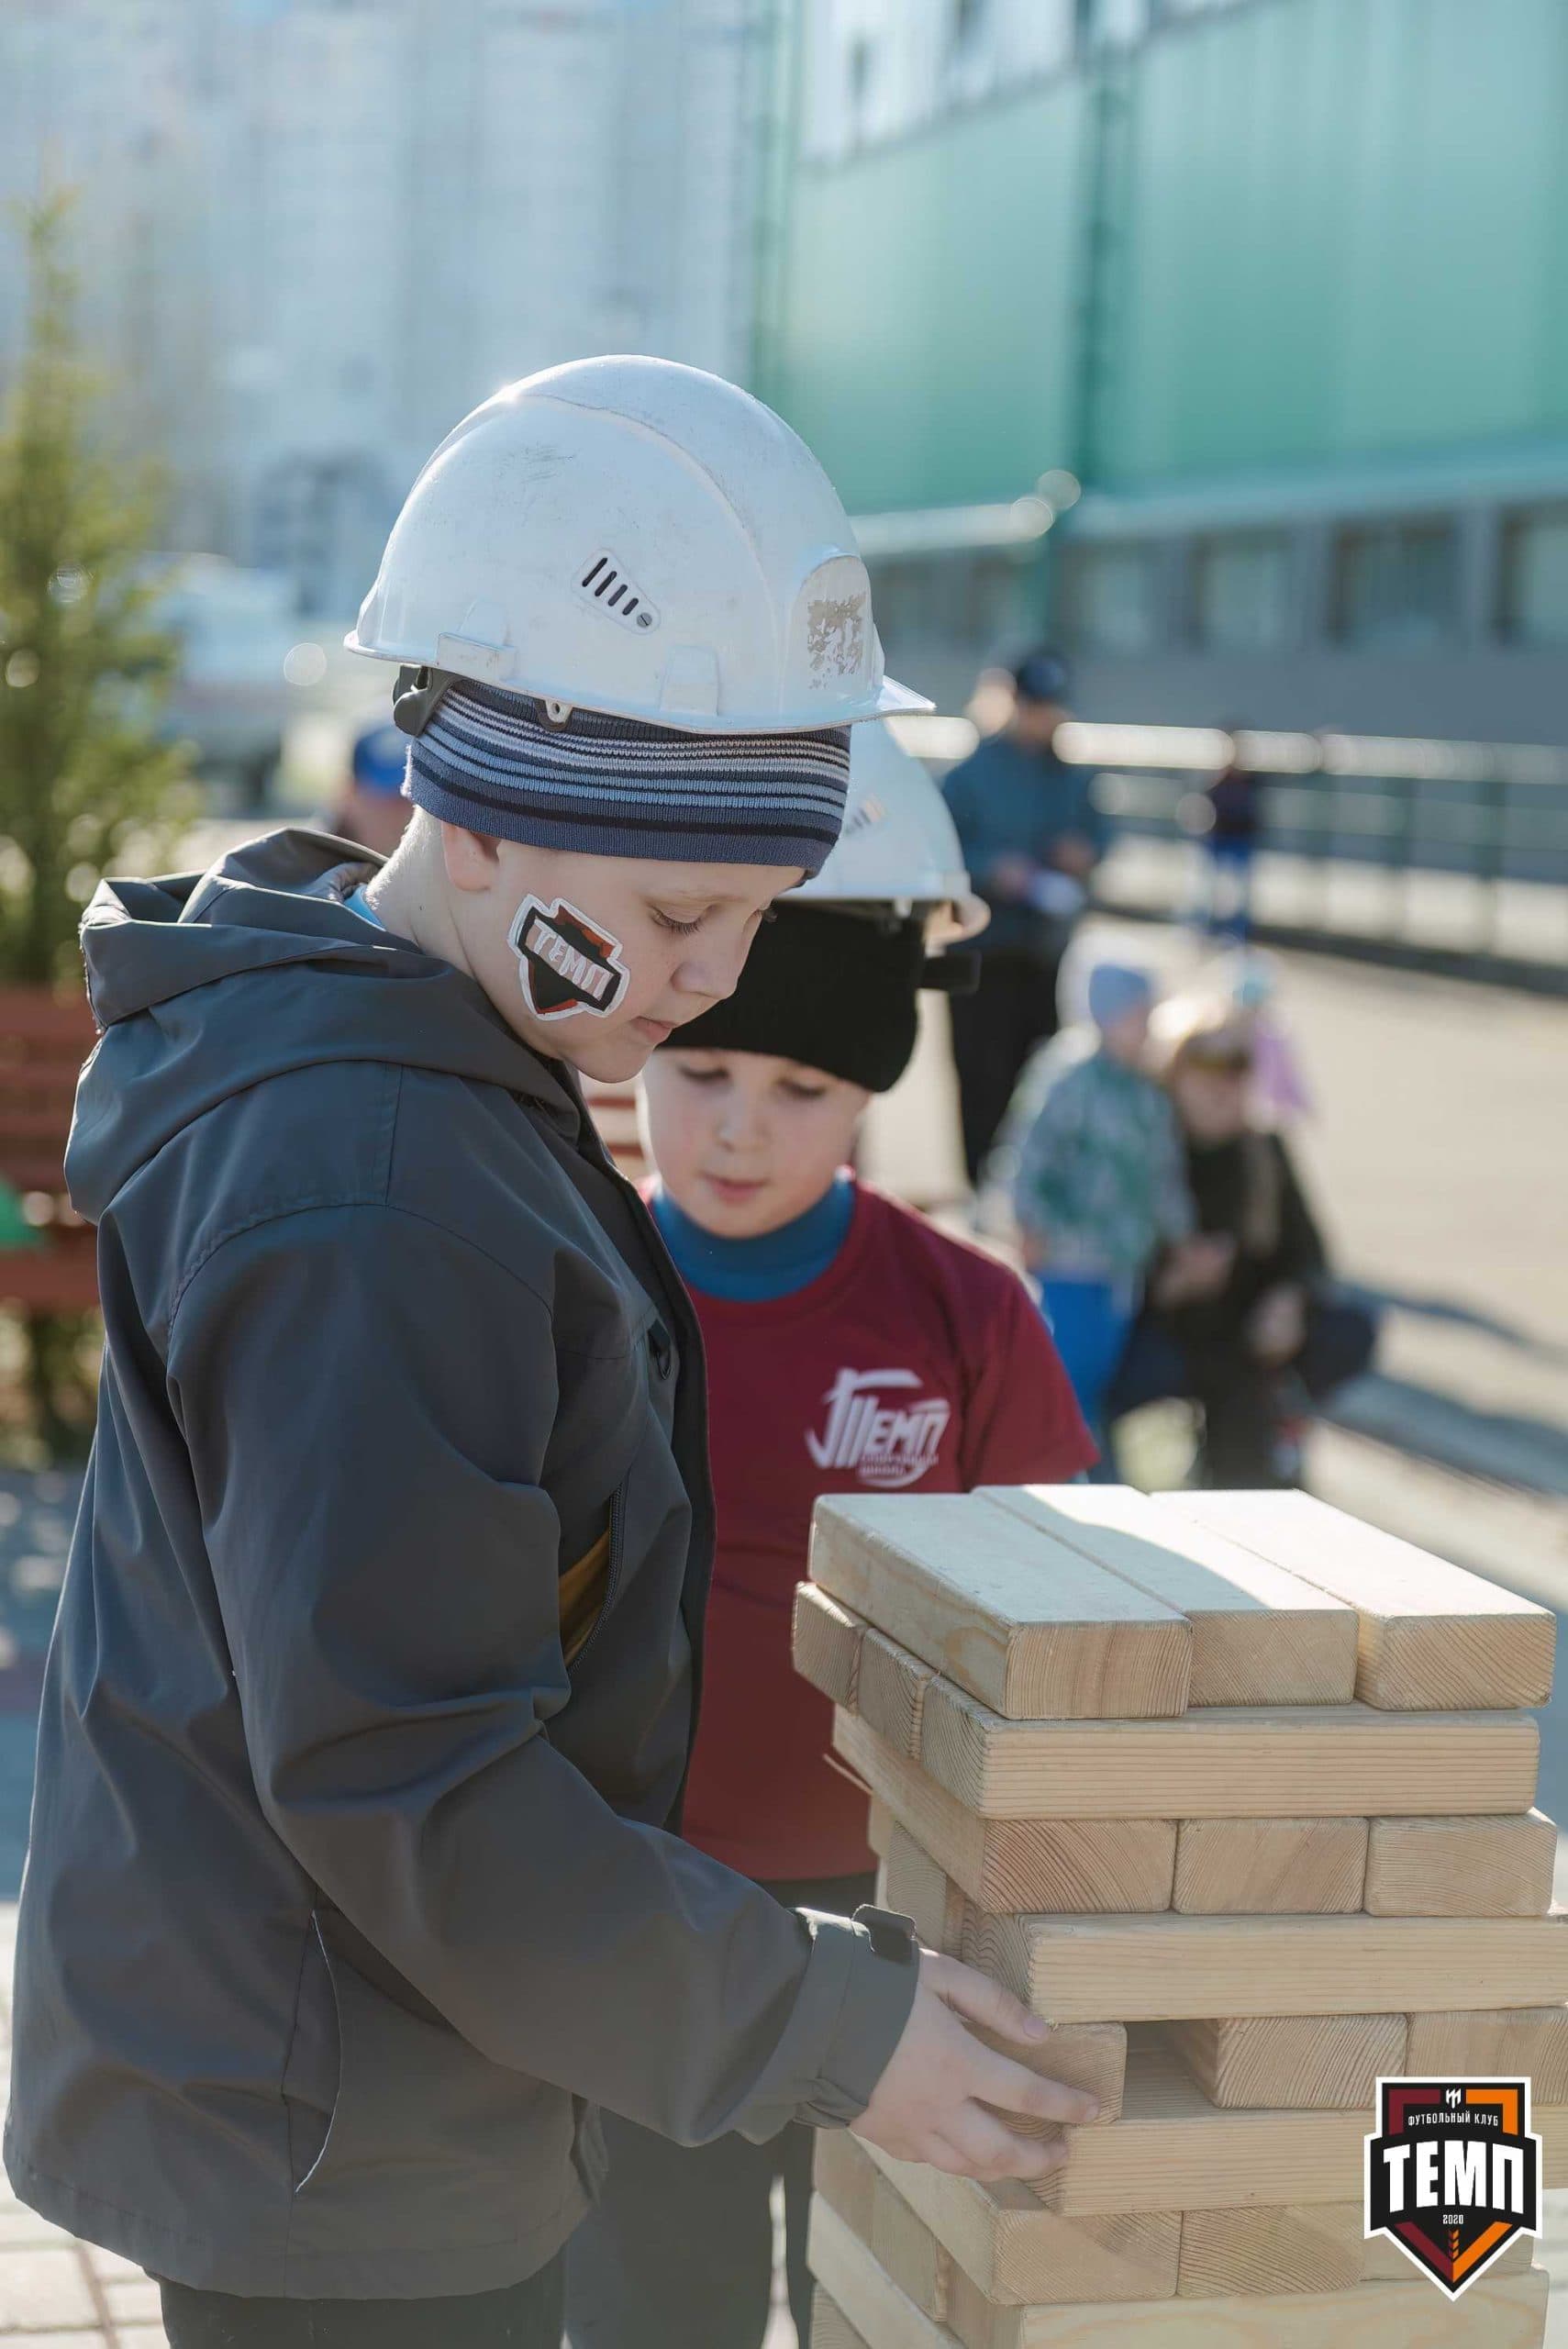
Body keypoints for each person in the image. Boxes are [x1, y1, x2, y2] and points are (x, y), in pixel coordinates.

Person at [6, 359, 1085, 2349]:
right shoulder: (382, 1189)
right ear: (489, 820)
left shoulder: (412, 1060)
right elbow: (410, 1772)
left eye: (754, 914)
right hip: (335, 2144)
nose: (712, 978)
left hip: (346, 2075)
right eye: (682, 909)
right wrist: (825, 2024)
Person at [566, 726, 1094, 2349]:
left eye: (798, 1091)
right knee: (664, 2311)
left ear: (867, 1092)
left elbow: (1061, 1610)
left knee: (883, 2304)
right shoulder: (559, 1282)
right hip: (652, 1917)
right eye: (698, 1073)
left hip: (906, 1916)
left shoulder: (961, 1313)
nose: (735, 1130)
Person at [1108, 997, 1377, 1486]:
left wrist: (1289, 1301)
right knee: (1139, 1366)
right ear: (1173, 1072)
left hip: (1250, 1327)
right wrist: (1168, 1284)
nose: (1222, 1084)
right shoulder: (1145, 1145)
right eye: (1205, 1066)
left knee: (1352, 1329)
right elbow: (1106, 1253)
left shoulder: (1262, 1149)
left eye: (1238, 1067)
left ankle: (1278, 1430)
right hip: (1171, 1328)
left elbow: (1308, 1252)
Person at [991, 960, 1202, 1457]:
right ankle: (1062, 1463)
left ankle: (1088, 1457)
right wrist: (1027, 1220)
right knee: (1068, 1370)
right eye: (1137, 1014)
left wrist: (1182, 1236)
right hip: (1069, 1257)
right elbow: (1029, 1151)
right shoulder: (1068, 1077)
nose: (1146, 1027)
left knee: (1103, 1370)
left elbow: (1162, 1172)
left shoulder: (1145, 1090)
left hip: (1123, 1260)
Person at [942, 647, 1109, 1182]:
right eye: (1035, 706)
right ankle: (980, 1183)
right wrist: (995, 868)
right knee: (981, 1075)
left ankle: (1028, 1188)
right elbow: (939, 853)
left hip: (1043, 950)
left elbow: (1101, 836)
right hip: (979, 948)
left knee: (1038, 1073)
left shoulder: (1072, 775)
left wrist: (1085, 853)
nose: (1044, 718)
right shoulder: (970, 773)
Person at [1196, 731, 1262, 940]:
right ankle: (1207, 929)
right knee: (1210, 889)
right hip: (1219, 839)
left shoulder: (1251, 780)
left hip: (1241, 839)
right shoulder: (1216, 781)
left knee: (1241, 890)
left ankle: (1238, 932)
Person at [327, 714, 416, 857]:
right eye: (389, 796)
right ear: (349, 794)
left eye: (416, 795)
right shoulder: (302, 872)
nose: (407, 811)